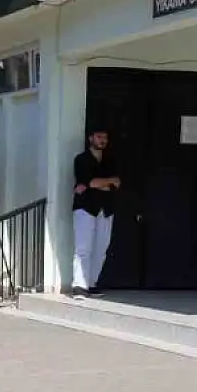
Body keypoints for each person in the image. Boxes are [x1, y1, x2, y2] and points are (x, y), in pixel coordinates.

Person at [71, 127, 119, 298]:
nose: (102, 140)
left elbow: (116, 183)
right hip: (85, 207)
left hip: (105, 209)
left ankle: (91, 283)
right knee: (83, 247)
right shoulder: (82, 159)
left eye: (105, 137)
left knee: (101, 248)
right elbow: (89, 182)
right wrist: (103, 183)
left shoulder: (111, 160)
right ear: (91, 138)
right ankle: (79, 285)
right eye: (99, 137)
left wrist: (97, 184)